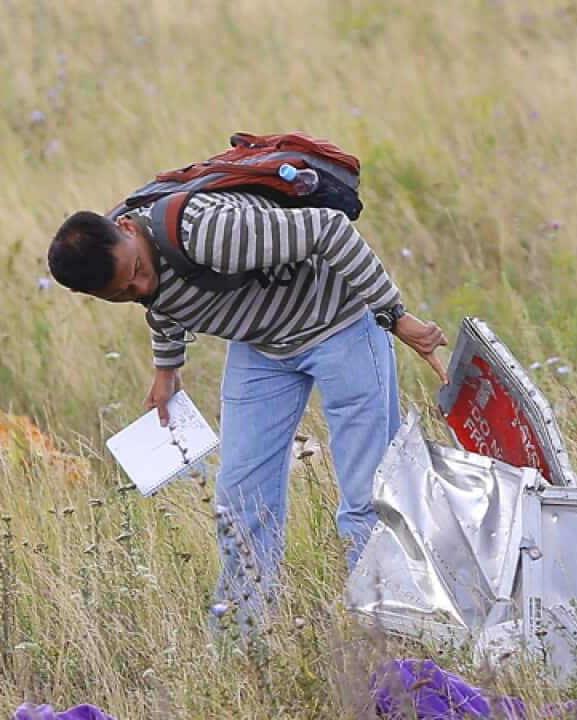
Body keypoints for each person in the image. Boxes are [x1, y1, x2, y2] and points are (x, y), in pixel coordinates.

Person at [47, 189, 449, 628]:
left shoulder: (208, 233)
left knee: (366, 493)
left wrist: (395, 314)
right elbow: (160, 297)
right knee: (240, 499)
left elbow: (329, 229)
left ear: (127, 229)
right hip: (262, 348)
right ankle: (249, 638)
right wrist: (167, 367)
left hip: (340, 325)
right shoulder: (126, 258)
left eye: (138, 272)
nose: (140, 288)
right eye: (123, 294)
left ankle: (382, 629)